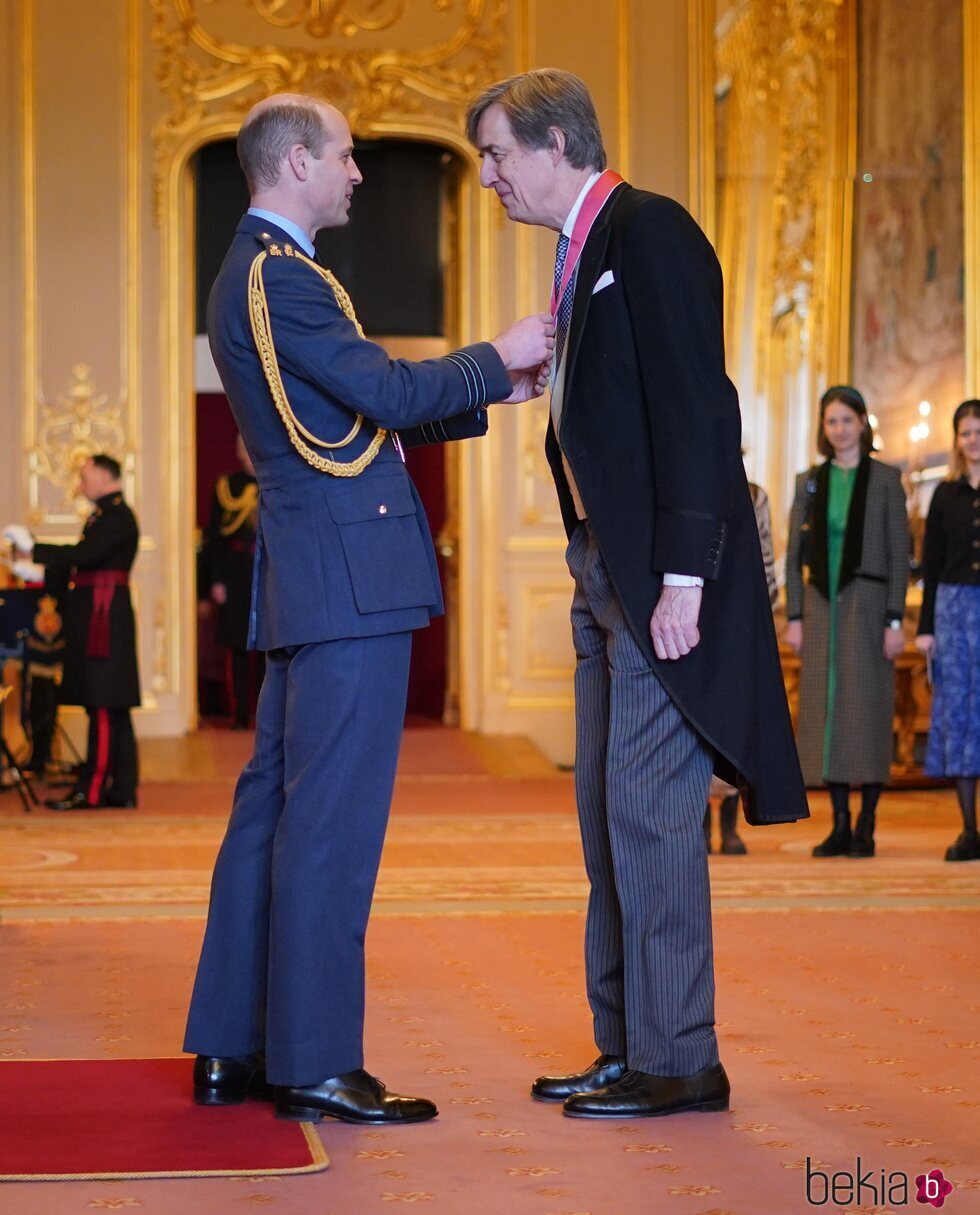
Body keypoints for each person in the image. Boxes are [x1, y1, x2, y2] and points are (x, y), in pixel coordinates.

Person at [182, 93, 554, 1126]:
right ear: (297, 161)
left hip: (313, 573)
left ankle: (233, 1045)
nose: (355, 173)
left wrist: (488, 393)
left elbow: (340, 410)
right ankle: (311, 1062)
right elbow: (380, 398)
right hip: (348, 579)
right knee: (329, 830)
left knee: (272, 816)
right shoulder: (280, 276)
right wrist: (496, 350)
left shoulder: (259, 271)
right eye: (344, 156)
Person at [466, 69, 807, 1120]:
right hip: (597, 570)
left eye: (495, 155)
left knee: (652, 819)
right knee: (603, 818)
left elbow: (701, 412)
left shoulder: (647, 231)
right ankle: (624, 1046)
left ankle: (678, 1060)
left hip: (658, 578)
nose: (487, 177)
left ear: (556, 143)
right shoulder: (579, 254)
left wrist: (683, 576)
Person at [785, 386, 909, 858]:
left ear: (862, 423)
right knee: (826, 714)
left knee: (869, 711)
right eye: (830, 421)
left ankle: (867, 826)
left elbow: (900, 555)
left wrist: (895, 619)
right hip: (820, 609)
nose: (838, 429)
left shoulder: (885, 481)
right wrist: (795, 616)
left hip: (869, 607)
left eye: (846, 420)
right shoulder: (810, 481)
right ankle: (838, 826)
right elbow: (794, 555)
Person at [4, 454, 141, 810]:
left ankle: (92, 790)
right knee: (109, 705)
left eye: (85, 475)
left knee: (106, 704)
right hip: (102, 617)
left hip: (105, 620)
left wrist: (35, 550)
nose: (80, 483)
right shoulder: (104, 515)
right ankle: (122, 788)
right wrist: (37, 569)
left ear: (103, 476)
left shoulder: (117, 517)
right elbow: (83, 564)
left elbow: (86, 554)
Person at [915, 399, 980, 862]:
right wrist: (926, 628)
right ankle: (968, 830)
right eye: (965, 433)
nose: (972, 440)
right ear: (956, 440)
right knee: (957, 714)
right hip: (954, 610)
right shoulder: (945, 494)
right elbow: (932, 565)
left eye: (979, 431)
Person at [704, 475, 779, 855]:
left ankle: (730, 826)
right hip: (692, 617)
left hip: (737, 619)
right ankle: (698, 823)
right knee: (697, 722)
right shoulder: (687, 480)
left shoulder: (753, 495)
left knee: (733, 721)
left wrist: (762, 616)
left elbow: (765, 557)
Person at [204, 433, 263, 728]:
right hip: (235, 572)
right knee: (237, 647)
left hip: (269, 571)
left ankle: (268, 715)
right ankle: (239, 713)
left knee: (271, 646)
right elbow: (213, 538)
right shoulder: (227, 487)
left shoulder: (277, 480)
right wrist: (215, 580)